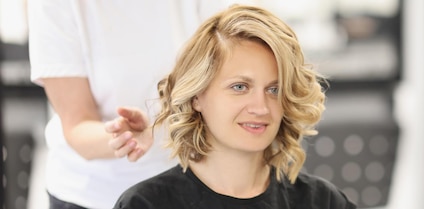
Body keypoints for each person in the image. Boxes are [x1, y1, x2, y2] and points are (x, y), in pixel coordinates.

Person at [113, 4, 356, 209]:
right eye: (240, 87)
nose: (261, 107)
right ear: (196, 96)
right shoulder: (146, 204)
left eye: (274, 89)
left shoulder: (322, 201)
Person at [27, 0, 243, 208]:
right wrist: (124, 136)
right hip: (95, 195)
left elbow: (230, 59)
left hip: (190, 181)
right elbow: (77, 125)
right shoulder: (53, 4)